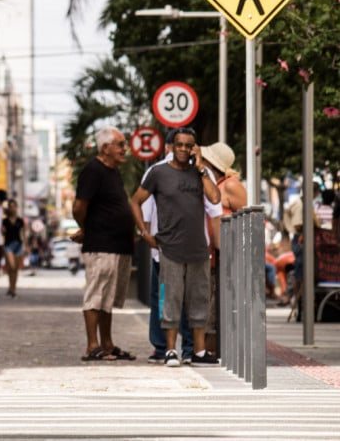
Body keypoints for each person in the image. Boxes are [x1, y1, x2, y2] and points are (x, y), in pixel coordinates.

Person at [130, 127, 221, 367]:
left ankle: (199, 351)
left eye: (188, 145)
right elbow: (135, 201)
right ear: (171, 147)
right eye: (179, 145)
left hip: (199, 248)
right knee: (170, 299)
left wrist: (201, 167)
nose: (183, 149)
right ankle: (170, 350)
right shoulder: (158, 173)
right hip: (169, 247)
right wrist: (144, 232)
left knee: (199, 299)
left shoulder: (202, 173)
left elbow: (215, 199)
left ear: (195, 148)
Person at [72, 127, 136, 362]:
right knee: (96, 294)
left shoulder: (113, 171)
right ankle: (92, 345)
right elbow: (79, 207)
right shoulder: (93, 170)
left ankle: (107, 343)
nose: (124, 149)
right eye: (120, 144)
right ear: (105, 148)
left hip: (118, 244)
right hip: (101, 243)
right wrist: (87, 228)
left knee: (107, 298)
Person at [200, 141, 246, 354]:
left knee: (215, 308)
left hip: (225, 255)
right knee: (208, 305)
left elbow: (248, 219)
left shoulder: (229, 185)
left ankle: (213, 353)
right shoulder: (211, 183)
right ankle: (209, 351)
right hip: (210, 253)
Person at [2, 199, 27, 297]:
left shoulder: (20, 221)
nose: (13, 208)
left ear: (17, 207)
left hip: (18, 245)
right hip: (8, 245)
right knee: (11, 267)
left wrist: (27, 246)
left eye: (14, 206)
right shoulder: (4, 221)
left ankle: (12, 288)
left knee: (15, 269)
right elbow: (2, 234)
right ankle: (10, 287)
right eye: (11, 206)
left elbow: (23, 234)